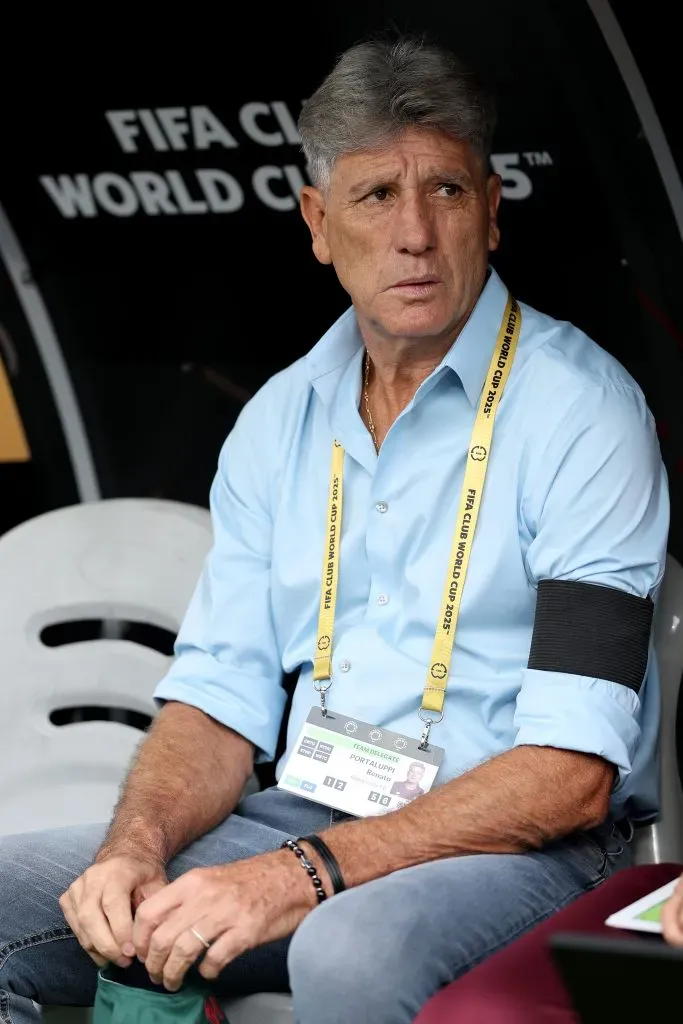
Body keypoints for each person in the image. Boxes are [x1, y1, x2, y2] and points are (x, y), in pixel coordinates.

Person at [0, 35, 669, 1024]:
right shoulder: (281, 418)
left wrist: (298, 875)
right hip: (306, 817)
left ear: (492, 210)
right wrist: (133, 849)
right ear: (318, 223)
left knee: (351, 948)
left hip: (524, 848)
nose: (414, 234)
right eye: (374, 196)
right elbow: (217, 699)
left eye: (444, 190)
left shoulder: (581, 411)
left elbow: (569, 775)